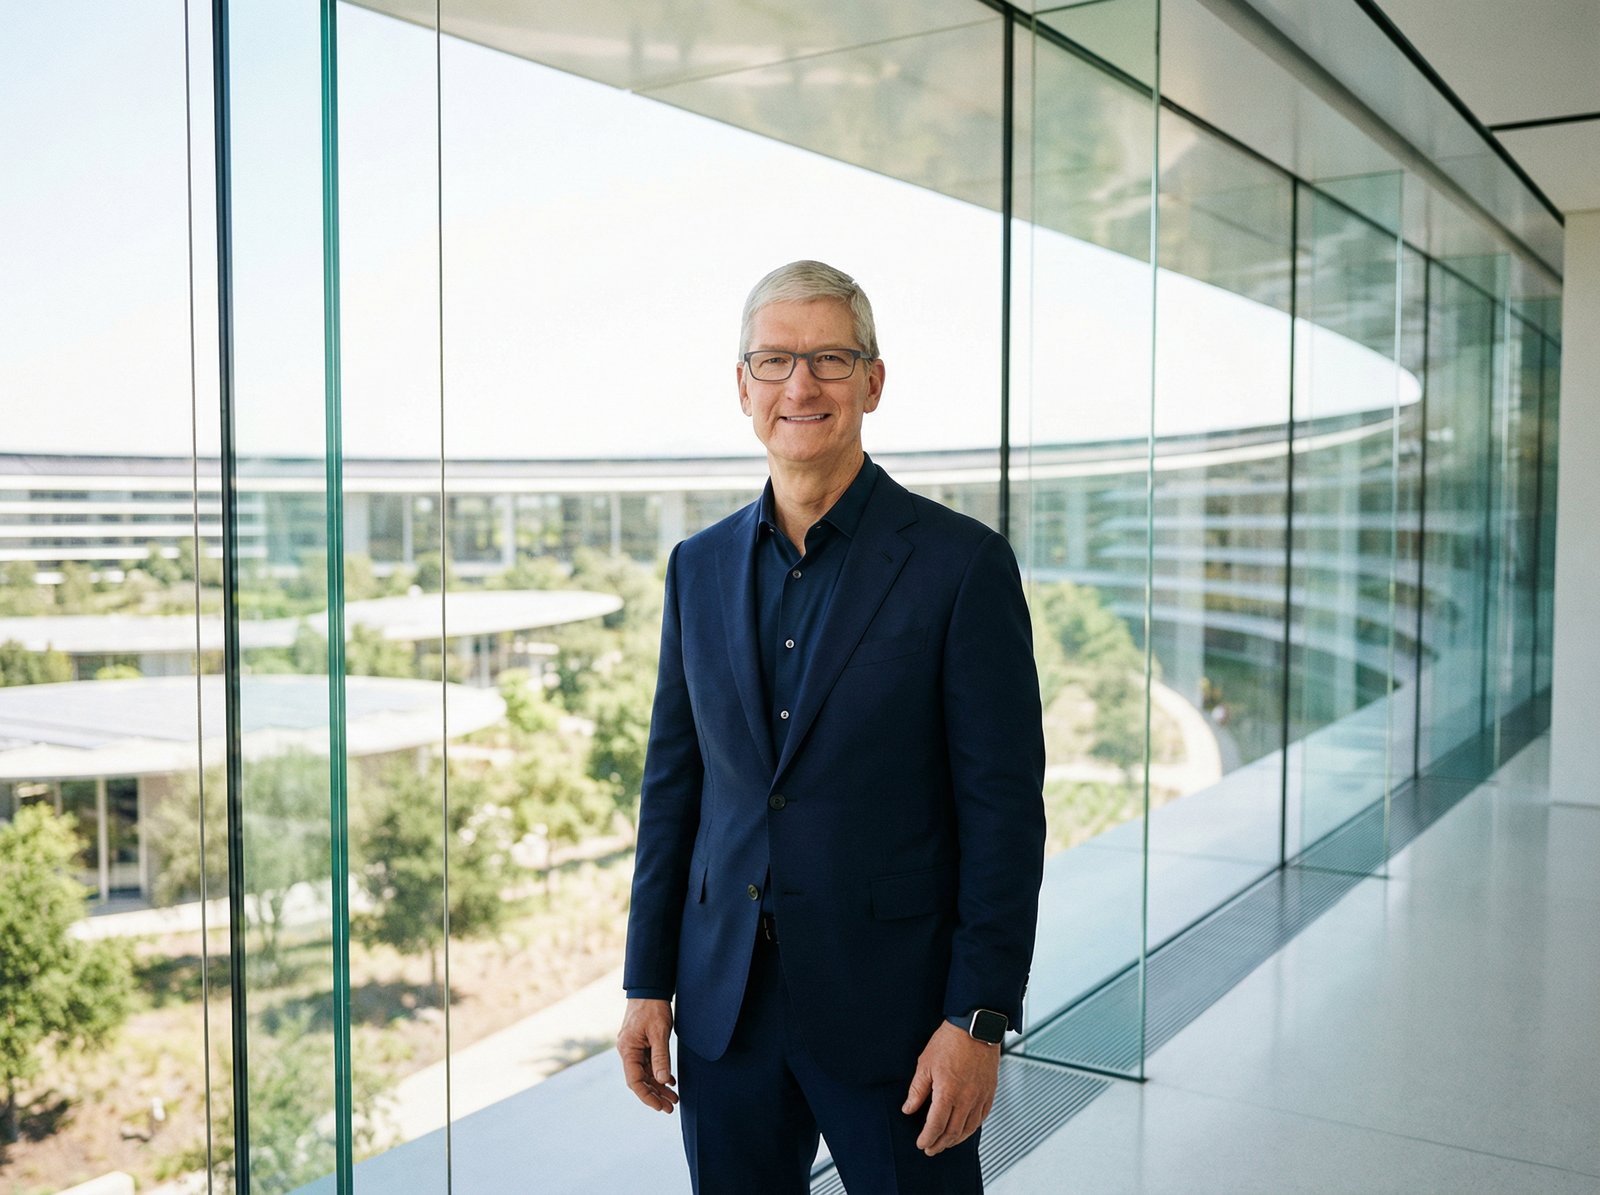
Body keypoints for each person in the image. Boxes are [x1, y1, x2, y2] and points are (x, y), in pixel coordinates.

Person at [618, 260, 1046, 1194]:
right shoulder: (696, 567)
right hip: (726, 1010)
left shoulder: (961, 565)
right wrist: (645, 979)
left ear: (873, 381)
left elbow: (1003, 812)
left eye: (828, 358)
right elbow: (673, 789)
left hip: (899, 1020)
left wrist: (977, 1018)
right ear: (742, 387)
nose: (799, 385)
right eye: (773, 361)